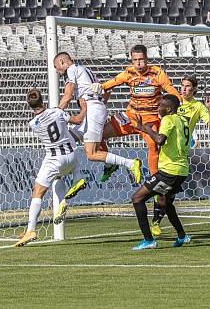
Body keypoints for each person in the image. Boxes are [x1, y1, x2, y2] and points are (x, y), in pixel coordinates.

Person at [53, 52, 142, 190]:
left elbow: (68, 94)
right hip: (93, 109)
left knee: (91, 153)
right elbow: (106, 91)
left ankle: (130, 163)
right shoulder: (84, 70)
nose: (57, 72)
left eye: (56, 67)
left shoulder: (71, 70)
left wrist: (56, 112)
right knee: (67, 139)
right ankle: (78, 178)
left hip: (93, 109)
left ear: (62, 61)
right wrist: (99, 104)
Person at [93, 44, 181, 182]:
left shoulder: (157, 73)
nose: (138, 63)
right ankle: (110, 165)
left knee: (153, 146)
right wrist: (101, 86)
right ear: (131, 60)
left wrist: (179, 102)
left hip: (150, 118)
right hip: (131, 116)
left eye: (141, 59)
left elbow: (170, 89)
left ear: (146, 58)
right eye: (135, 60)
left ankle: (155, 184)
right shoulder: (129, 73)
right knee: (99, 135)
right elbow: (113, 82)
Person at [13, 89, 86, 247]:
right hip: (72, 156)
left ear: (29, 106)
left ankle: (31, 230)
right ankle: (67, 195)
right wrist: (85, 107)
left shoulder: (32, 124)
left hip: (54, 159)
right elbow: (78, 120)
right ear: (43, 102)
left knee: (38, 192)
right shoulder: (58, 112)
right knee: (58, 177)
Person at [149, 75, 210, 236]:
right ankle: (161, 225)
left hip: (179, 154)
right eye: (182, 85)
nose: (184, 89)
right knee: (161, 191)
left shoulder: (197, 107)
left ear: (194, 89)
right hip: (165, 150)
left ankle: (158, 223)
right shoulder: (173, 102)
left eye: (188, 86)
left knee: (166, 193)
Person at [129, 94, 192, 250]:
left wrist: (148, 130)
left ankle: (148, 240)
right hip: (181, 170)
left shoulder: (168, 119)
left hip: (169, 171)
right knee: (166, 202)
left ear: (168, 108)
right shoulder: (183, 120)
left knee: (137, 198)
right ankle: (182, 236)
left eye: (160, 106)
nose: (158, 108)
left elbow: (159, 140)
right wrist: (143, 127)